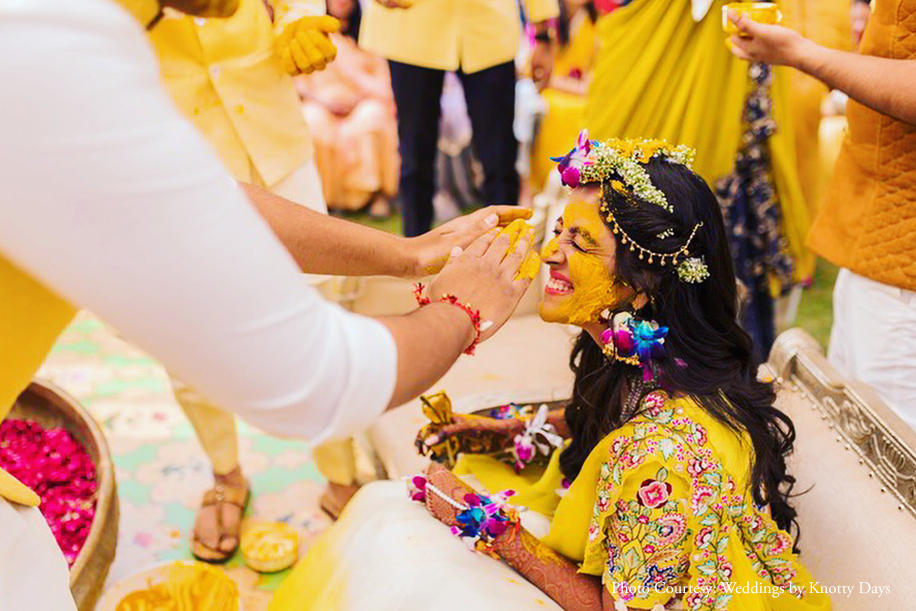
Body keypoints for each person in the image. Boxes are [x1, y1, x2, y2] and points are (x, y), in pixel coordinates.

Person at [0, 0, 537, 606]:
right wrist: (461, 311)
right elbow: (317, 379)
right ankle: (227, 476)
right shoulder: (49, 51)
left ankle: (340, 473)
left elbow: (207, 199)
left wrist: (408, 254)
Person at [268, 134, 830, 611]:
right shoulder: (641, 356)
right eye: (560, 232)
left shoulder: (665, 457)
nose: (550, 255)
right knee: (389, 518)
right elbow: (611, 419)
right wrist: (509, 430)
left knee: (400, 544)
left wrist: (483, 521)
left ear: (642, 285)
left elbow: (619, 606)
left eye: (581, 243)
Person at [148, 0, 340, 562]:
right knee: (185, 332)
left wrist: (298, 16)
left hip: (275, 143)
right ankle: (225, 475)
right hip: (171, 162)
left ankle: (341, 467)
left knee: (319, 317)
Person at [583, 0, 814, 356]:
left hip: (717, 59)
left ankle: (711, 352)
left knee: (704, 201)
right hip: (659, 38)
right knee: (636, 186)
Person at [726, 1, 916, 429]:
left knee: (888, 444)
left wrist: (801, 54)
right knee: (851, 424)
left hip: (903, 271)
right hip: (876, 241)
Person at [359, 0, 560, 236]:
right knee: (414, 158)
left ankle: (507, 251)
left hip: (487, 27)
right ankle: (413, 249)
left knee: (500, 160)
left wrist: (543, 33)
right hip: (410, 27)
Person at [299, 0, 399, 219]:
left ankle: (376, 195)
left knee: (371, 117)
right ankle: (327, 199)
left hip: (361, 103)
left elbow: (384, 84)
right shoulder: (311, 35)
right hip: (321, 105)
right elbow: (298, 83)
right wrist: (321, 100)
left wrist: (357, 95)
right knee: (312, 121)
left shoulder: (367, 37)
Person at [528, 0, 598, 192]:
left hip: (580, 93)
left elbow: (594, 79)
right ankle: (545, 181)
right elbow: (534, 70)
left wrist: (556, 82)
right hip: (551, 92)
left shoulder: (595, 25)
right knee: (551, 107)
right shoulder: (550, 27)